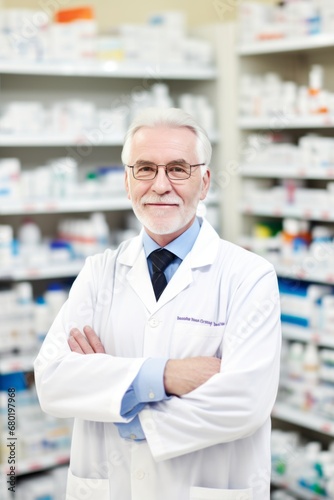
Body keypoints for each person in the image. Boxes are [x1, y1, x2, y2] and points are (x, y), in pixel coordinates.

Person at [34, 107, 281, 500]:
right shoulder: (99, 273)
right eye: (145, 168)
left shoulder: (249, 276)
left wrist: (114, 389)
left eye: (178, 169)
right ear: (127, 182)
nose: (160, 185)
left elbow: (245, 401)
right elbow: (52, 382)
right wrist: (165, 376)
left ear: (204, 182)